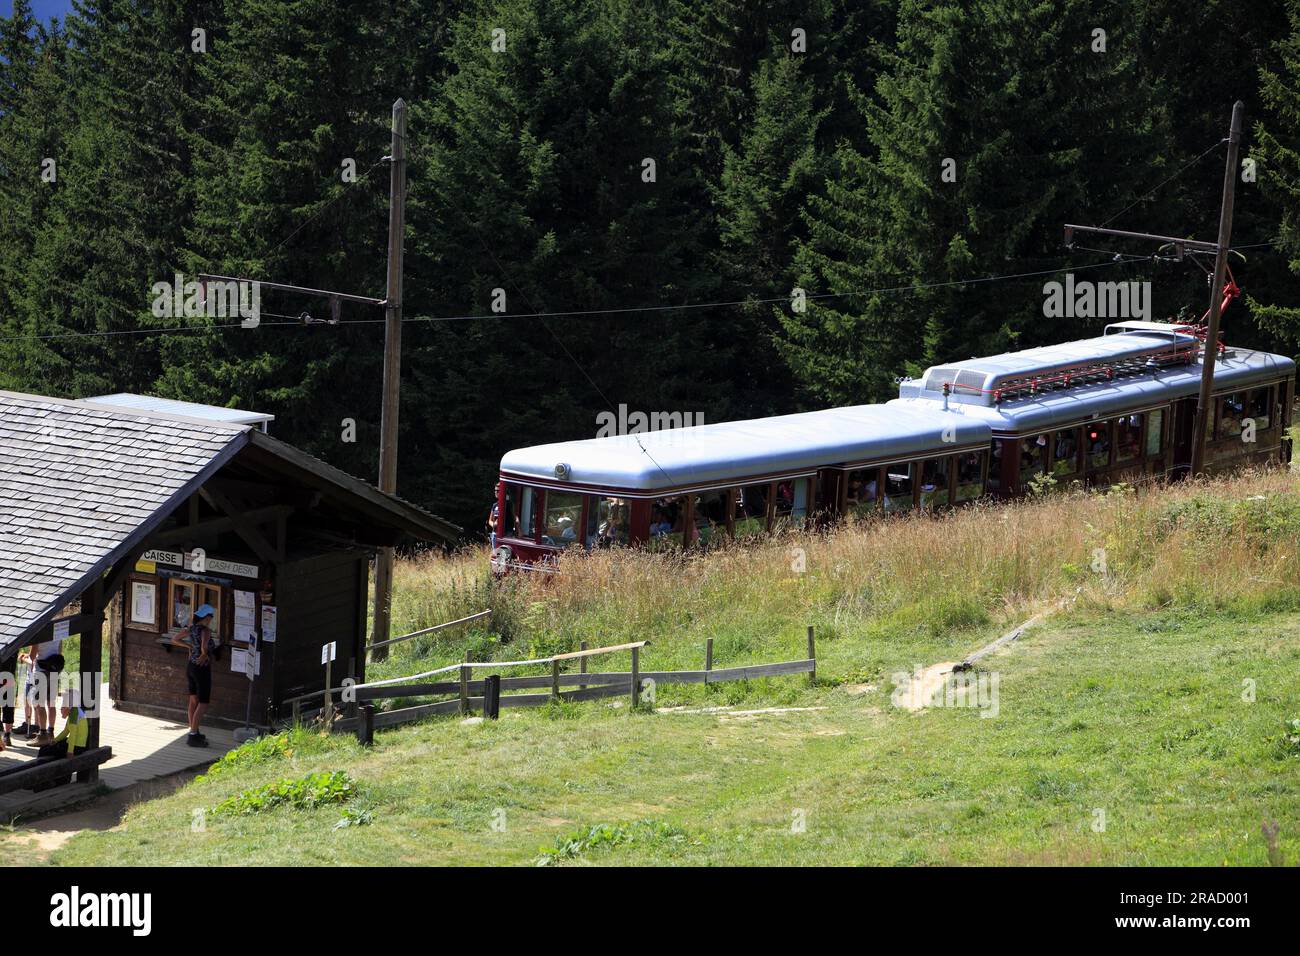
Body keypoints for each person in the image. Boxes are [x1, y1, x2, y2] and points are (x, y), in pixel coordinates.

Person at [170, 604, 215, 747]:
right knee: (203, 703)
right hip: (201, 668)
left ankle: (193, 730)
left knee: (193, 700)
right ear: (207, 617)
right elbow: (204, 647)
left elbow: (175, 639)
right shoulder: (206, 631)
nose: (211, 619)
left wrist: (189, 647)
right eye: (211, 617)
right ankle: (193, 735)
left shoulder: (191, 628)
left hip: (191, 667)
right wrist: (204, 654)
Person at [37, 689, 87, 762]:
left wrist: (70, 752)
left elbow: (73, 734)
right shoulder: (74, 711)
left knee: (44, 750)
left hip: (76, 747)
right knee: (50, 746)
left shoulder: (74, 715)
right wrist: (55, 740)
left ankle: (39, 767)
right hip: (75, 745)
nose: (61, 709)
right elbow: (65, 732)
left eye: (63, 707)